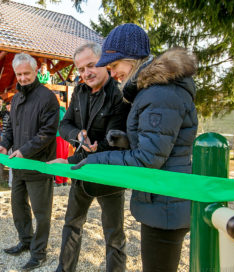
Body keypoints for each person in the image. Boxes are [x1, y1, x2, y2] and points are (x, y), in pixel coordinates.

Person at [72, 24, 198, 272]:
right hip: (160, 196)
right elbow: (161, 146)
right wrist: (127, 141)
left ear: (130, 59)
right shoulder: (152, 91)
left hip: (166, 200)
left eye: (114, 64)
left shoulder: (161, 93)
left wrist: (98, 160)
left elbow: (149, 158)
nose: (112, 71)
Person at [47, 42, 130, 272]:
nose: (86, 73)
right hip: (80, 172)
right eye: (81, 69)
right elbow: (65, 125)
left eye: (91, 66)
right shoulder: (80, 91)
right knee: (71, 225)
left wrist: (76, 157)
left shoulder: (118, 93)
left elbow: (114, 141)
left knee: (114, 234)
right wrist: (77, 135)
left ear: (103, 63)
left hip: (109, 175)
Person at [0, 53, 59, 271]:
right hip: (18, 164)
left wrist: (25, 150)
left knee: (41, 213)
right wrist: (5, 144)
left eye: (26, 73)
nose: (22, 78)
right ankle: (25, 240)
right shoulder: (16, 98)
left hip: (39, 165)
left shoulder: (48, 97)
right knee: (18, 207)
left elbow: (48, 132)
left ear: (36, 71)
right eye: (19, 74)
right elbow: (11, 126)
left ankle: (39, 252)